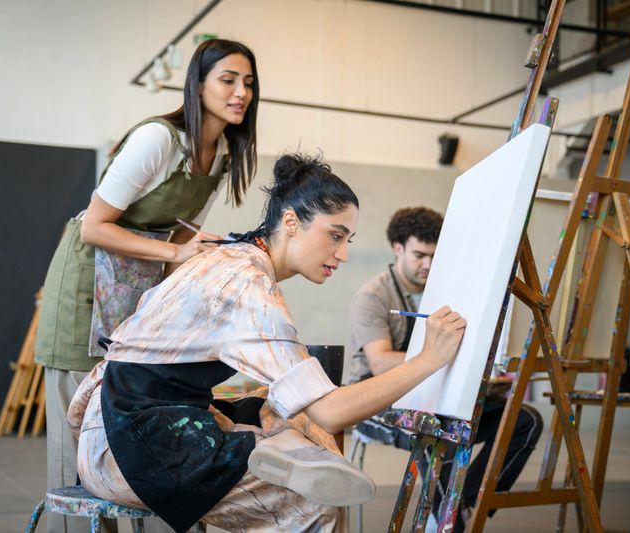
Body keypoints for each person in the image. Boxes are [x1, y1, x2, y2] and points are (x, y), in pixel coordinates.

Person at [67, 154, 467, 532]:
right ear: (290, 222)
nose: (342, 254)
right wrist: (428, 359)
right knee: (315, 501)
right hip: (130, 449)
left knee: (289, 412)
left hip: (116, 422)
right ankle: (289, 451)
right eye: (335, 236)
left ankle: (289, 445)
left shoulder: (229, 256)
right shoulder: (248, 284)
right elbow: (331, 411)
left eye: (349, 240)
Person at [34, 38, 259, 533]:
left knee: (112, 427)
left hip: (134, 289)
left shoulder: (219, 154)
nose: (241, 92)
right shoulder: (159, 139)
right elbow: (95, 226)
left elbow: (180, 233)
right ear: (197, 85)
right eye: (228, 80)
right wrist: (177, 253)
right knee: (74, 442)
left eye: (248, 82)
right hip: (87, 286)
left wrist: (204, 252)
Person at [347, 206, 543, 531]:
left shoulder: (444, 292)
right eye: (419, 255)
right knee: (438, 431)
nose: (427, 264)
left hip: (435, 389)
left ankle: (463, 504)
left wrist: (480, 378)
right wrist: (444, 356)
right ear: (398, 249)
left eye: (434, 256)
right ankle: (449, 518)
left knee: (525, 422)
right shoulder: (373, 297)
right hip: (375, 398)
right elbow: (381, 362)